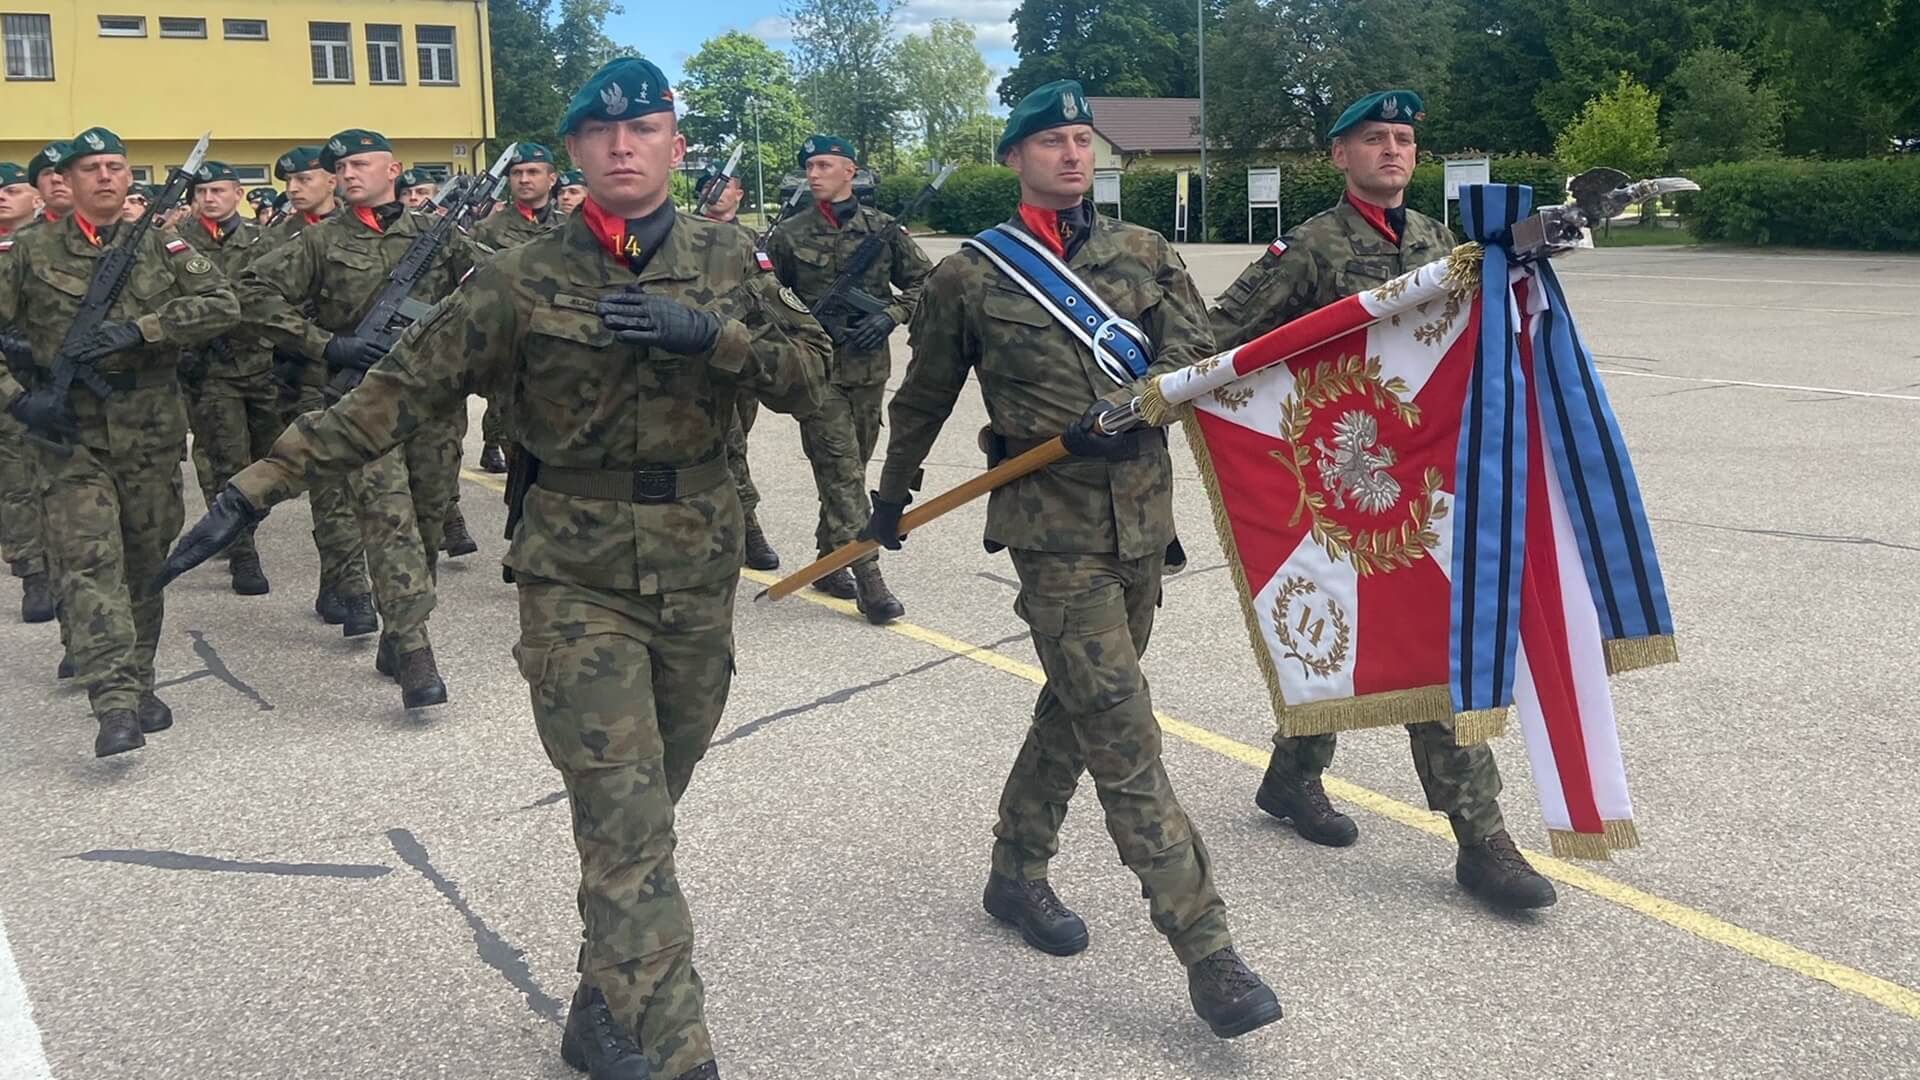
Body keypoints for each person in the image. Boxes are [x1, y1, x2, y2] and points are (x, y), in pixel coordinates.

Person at [160, 56, 829, 1080]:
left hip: (699, 570)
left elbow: (811, 372)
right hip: (575, 575)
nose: (621, 146)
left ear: (674, 145)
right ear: (572, 155)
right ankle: (677, 1048)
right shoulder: (516, 279)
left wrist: (719, 337)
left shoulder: (734, 257)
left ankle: (599, 1006)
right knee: (626, 821)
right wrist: (251, 489)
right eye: (600, 135)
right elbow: (391, 393)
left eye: (644, 129)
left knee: (652, 802)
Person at [862, 81, 1283, 1039]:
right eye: (1050, 141)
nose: (1073, 155)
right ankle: (1208, 952)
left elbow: (1196, 364)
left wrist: (1139, 408)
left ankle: (1015, 873)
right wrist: (889, 498)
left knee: (1076, 707)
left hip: (1141, 524)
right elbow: (923, 395)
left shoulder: (1145, 253)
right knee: (1125, 736)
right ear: (1015, 159)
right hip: (1049, 533)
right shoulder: (970, 275)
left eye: (1082, 140)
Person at [1207, 89, 1556, 911]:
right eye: (1374, 140)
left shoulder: (1444, 243)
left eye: (1402, 139)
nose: (1392, 151)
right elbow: (1222, 334)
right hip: (1329, 480)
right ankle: (1301, 781)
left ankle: (1479, 837)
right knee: (1331, 638)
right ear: (1340, 156)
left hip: (1421, 480)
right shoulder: (1311, 246)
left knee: (1432, 639)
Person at [0, 127, 241, 756]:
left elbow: (222, 304)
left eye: (115, 165)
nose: (106, 176)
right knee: (88, 563)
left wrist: (143, 329)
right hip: (66, 436)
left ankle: (138, 678)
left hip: (151, 432)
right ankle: (112, 702)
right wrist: (18, 398)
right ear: (67, 182)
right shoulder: (28, 251)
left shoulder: (164, 242)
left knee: (144, 564)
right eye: (91, 168)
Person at [235, 128, 473, 708]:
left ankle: (397, 632)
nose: (348, 175)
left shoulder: (439, 236)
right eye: (340, 168)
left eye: (360, 164)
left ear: (394, 169)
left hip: (433, 405)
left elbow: (500, 286)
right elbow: (252, 291)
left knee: (429, 516)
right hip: (362, 404)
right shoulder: (321, 241)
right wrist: (326, 345)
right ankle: (416, 649)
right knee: (388, 519)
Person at [768, 134, 932, 621]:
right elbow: (765, 296)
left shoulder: (882, 229)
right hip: (815, 374)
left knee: (852, 468)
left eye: (823, 165)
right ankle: (870, 579)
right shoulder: (789, 234)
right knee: (841, 471)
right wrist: (798, 330)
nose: (813, 174)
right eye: (809, 167)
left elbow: (926, 281)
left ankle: (828, 561)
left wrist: (891, 314)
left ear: (850, 171)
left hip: (866, 371)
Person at [258, 144, 375, 633]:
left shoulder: (370, 232)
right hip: (308, 380)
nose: (293, 189)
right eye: (289, 181)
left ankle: (350, 579)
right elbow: (255, 301)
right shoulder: (277, 239)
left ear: (331, 182)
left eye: (305, 179)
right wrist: (320, 343)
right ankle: (349, 586)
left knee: (375, 490)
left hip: (374, 381)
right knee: (331, 488)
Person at [179, 160, 282, 596]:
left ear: (237, 194)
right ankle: (243, 553)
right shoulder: (178, 243)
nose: (210, 198)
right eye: (202, 192)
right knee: (227, 457)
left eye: (219, 191)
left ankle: (240, 521)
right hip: (210, 369)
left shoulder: (261, 240)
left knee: (266, 455)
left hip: (261, 364)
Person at [693, 166, 779, 570]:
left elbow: (767, 294)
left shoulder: (753, 242)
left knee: (735, 438)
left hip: (741, 353)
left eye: (723, 186)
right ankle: (748, 526)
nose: (714, 192)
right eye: (708, 186)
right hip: (697, 356)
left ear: (740, 194)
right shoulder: (684, 234)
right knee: (732, 446)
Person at [470, 142, 564, 474]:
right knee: (518, 454)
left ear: (551, 178)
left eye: (533, 172)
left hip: (562, 347)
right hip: (510, 348)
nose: (524, 179)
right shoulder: (488, 230)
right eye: (517, 173)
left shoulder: (572, 229)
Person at [0, 162, 55, 626]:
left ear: (35, 198)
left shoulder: (52, 246)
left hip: (53, 383)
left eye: (12, 189)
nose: (2, 196)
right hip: (6, 387)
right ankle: (34, 573)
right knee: (16, 486)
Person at [27, 142, 72, 224]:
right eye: (47, 173)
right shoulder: (23, 235)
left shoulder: (101, 228)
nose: (55, 179)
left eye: (64, 171)